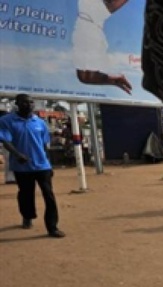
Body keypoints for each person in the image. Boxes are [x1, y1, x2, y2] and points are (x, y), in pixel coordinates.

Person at [0, 94, 65, 238]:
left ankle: (52, 227)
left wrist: (49, 164)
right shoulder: (7, 121)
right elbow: (5, 140)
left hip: (42, 166)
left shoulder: (40, 122)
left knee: (49, 195)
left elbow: (44, 145)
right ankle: (27, 216)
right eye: (24, 103)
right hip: (22, 167)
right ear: (17, 104)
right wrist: (17, 154)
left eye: (31, 102)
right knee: (26, 194)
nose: (28, 105)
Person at [73, 0, 133, 94]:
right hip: (81, 27)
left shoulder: (99, 9)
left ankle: (116, 79)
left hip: (91, 32)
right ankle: (115, 80)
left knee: (88, 77)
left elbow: (112, 5)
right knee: (83, 78)